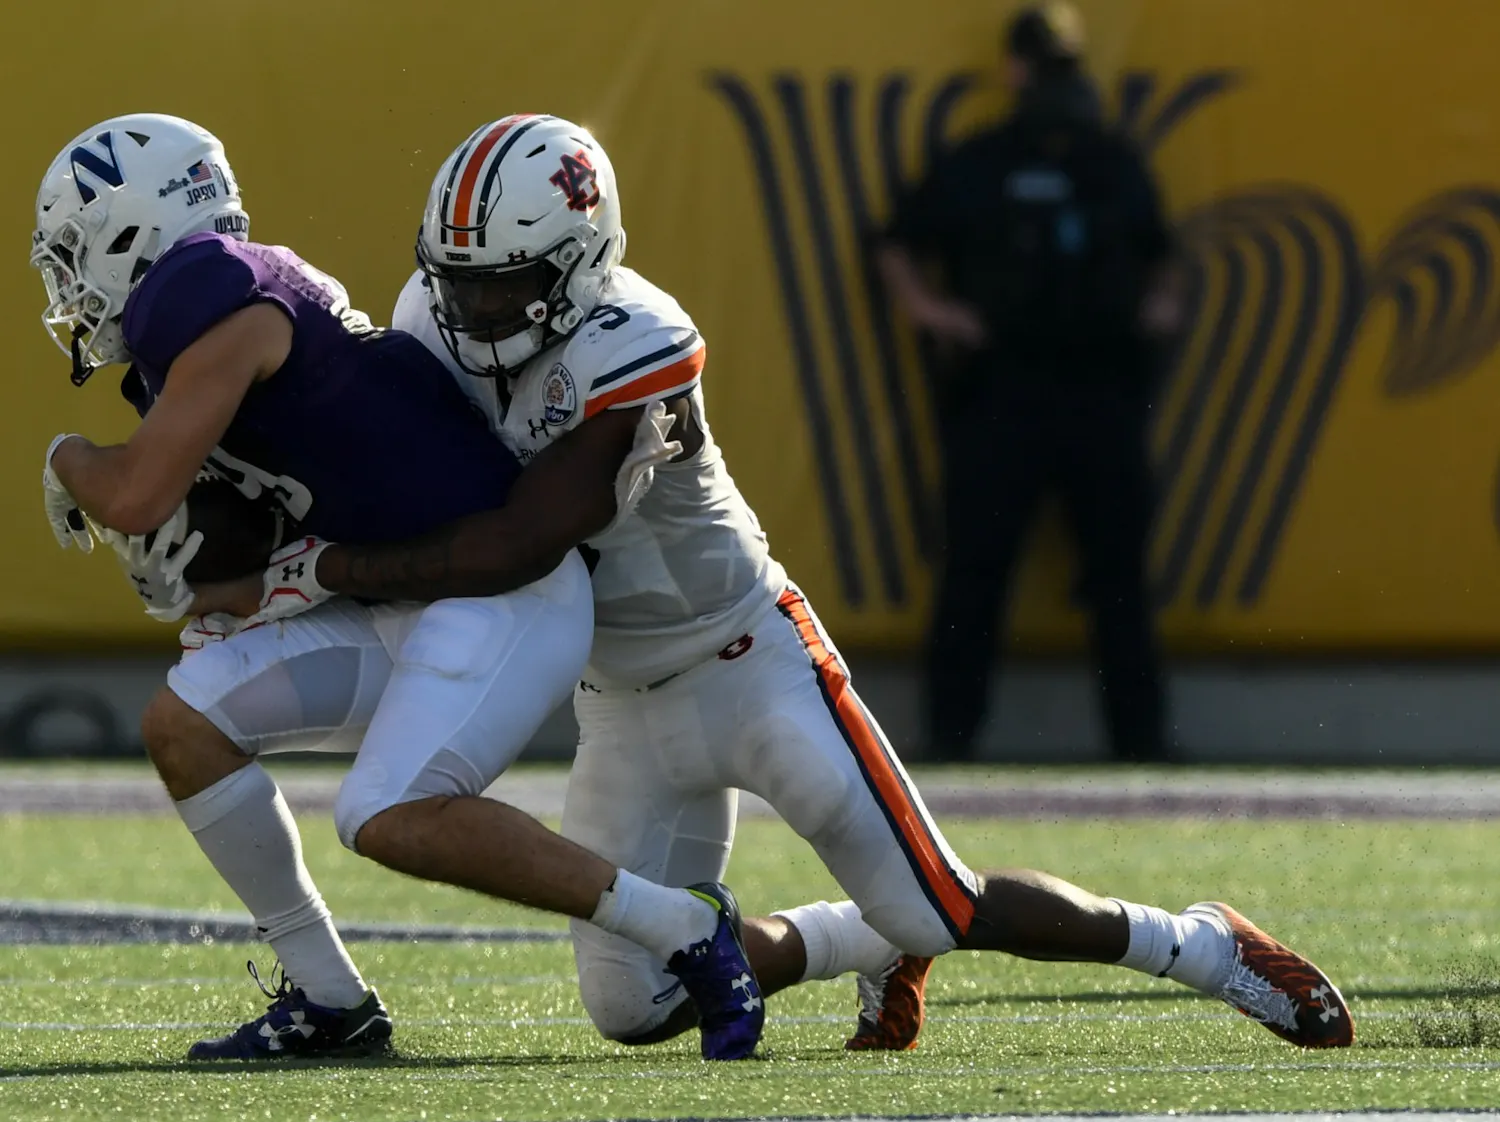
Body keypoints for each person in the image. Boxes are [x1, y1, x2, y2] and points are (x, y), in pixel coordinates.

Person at [204, 113, 1353, 1053]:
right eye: (461, 281)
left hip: (749, 662)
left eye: (506, 287)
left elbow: (520, 545)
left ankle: (1199, 944)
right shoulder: (432, 320)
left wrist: (327, 570)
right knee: (634, 1008)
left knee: (943, 904)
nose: (474, 311)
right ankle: (860, 940)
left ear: (579, 263)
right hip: (618, 699)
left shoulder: (637, 342)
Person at [32, 113, 763, 1063]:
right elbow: (259, 537)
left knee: (382, 812)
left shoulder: (209, 293)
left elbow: (132, 493)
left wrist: (64, 459)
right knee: (185, 723)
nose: (71, 286)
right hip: (406, 598)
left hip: (507, 599)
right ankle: (332, 999)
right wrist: (225, 578)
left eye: (75, 254)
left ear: (130, 233)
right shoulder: (221, 314)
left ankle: (684, 927)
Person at [878, 1, 1180, 764]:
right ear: (1014, 71)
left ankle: (1139, 744)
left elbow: (1162, 254)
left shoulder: (1111, 163)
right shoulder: (982, 162)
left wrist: (1156, 310)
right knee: (976, 567)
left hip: (1101, 386)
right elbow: (896, 243)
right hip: (1002, 390)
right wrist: (934, 312)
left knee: (1119, 575)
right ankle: (949, 739)